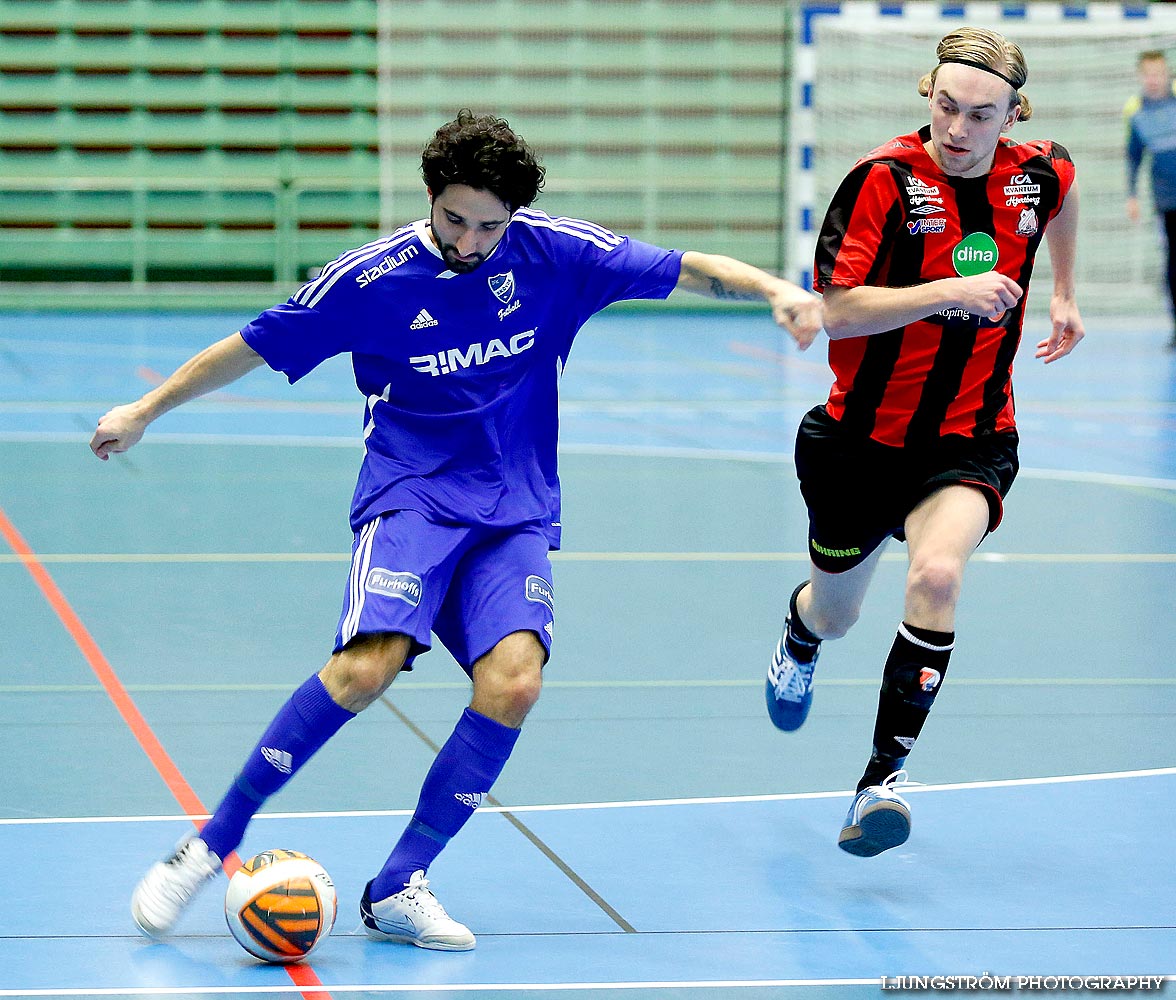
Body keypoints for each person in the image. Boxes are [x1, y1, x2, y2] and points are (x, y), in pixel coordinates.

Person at [91, 110, 824, 950]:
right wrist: (146, 410)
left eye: (489, 225)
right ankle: (211, 841)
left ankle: (401, 883)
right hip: (411, 498)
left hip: (513, 507)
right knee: (367, 669)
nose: (471, 240)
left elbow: (683, 266)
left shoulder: (553, 251)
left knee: (514, 683)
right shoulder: (371, 281)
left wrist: (773, 288)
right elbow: (254, 344)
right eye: (454, 219)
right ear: (431, 198)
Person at [763, 28, 1084, 857]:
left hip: (972, 436)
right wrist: (951, 289)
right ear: (927, 96)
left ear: (1014, 114)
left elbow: (1064, 197)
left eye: (982, 114)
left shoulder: (1038, 171)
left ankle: (881, 780)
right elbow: (833, 307)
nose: (959, 127)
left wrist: (1066, 294)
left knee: (938, 573)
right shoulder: (883, 180)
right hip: (857, 442)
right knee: (836, 612)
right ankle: (799, 634)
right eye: (946, 106)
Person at [1125, 50, 1176, 350]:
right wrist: (1131, 195)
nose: (1154, 80)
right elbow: (1133, 157)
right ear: (1141, 77)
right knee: (1172, 264)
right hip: (1167, 201)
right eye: (1148, 74)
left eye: (1159, 73)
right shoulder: (1136, 112)